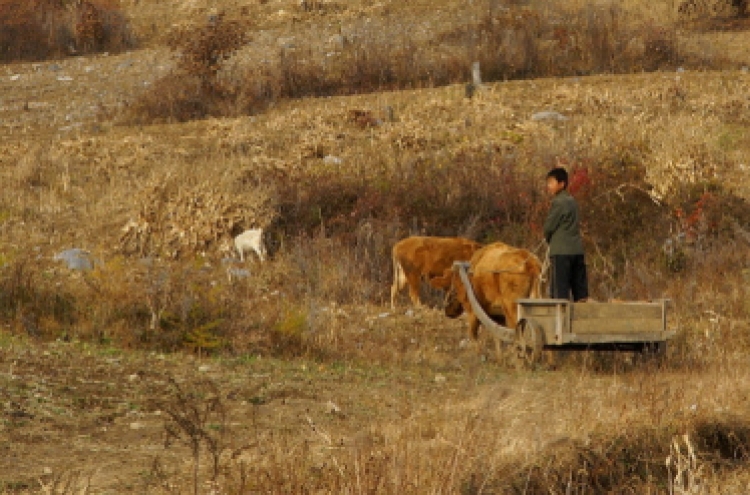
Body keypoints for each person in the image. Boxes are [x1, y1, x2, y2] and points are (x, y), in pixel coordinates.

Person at [543, 167, 589, 302]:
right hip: (577, 251)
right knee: (580, 294)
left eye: (551, 182)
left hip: (561, 252)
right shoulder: (572, 201)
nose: (549, 186)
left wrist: (548, 238)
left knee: (560, 294)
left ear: (561, 184)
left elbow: (548, 227)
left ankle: (562, 322)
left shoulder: (558, 202)